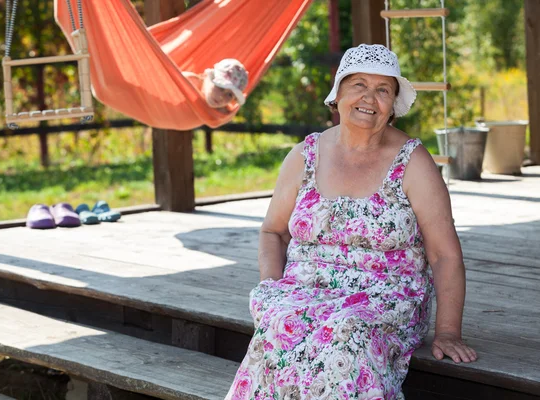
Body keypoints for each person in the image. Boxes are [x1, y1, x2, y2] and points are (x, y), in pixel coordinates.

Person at [224, 44, 477, 399]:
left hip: (382, 302)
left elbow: (444, 255)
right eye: (358, 84)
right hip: (304, 293)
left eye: (382, 89)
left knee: (345, 332)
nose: (369, 98)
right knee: (281, 322)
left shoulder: (412, 162)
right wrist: (272, 286)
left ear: (393, 104)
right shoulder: (304, 155)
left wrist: (448, 330)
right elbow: (273, 231)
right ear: (338, 93)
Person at [183, 58, 249, 113]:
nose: (221, 97)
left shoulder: (223, 113)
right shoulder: (186, 82)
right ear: (206, 76)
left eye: (230, 95)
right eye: (220, 87)